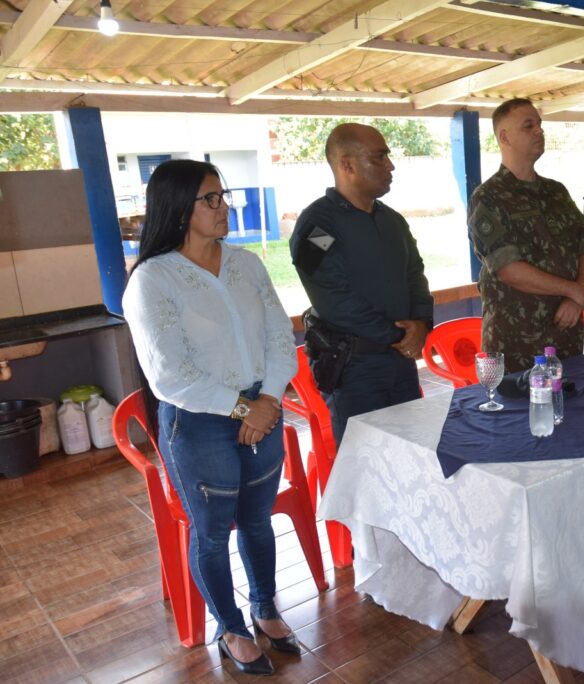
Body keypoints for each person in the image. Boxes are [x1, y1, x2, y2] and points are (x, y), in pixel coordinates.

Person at [122, 160, 299, 676]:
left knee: (257, 521)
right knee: (213, 532)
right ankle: (231, 628)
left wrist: (268, 400)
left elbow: (279, 337)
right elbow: (169, 375)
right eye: (211, 199)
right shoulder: (153, 280)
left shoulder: (246, 264)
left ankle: (265, 608)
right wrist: (247, 409)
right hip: (199, 423)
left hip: (262, 411)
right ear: (179, 208)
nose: (225, 208)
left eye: (224, 196)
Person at [290, 123, 433, 443]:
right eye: (379, 157)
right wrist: (399, 335)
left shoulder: (392, 220)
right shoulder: (319, 225)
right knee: (367, 460)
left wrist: (421, 323)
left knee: (413, 453)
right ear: (347, 165)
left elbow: (415, 273)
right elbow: (333, 297)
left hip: (400, 361)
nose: (390, 166)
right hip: (355, 368)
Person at [468, 98, 584, 372]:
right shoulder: (488, 197)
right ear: (505, 137)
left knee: (573, 398)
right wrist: (573, 290)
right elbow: (508, 270)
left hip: (566, 336)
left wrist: (577, 295)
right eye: (528, 126)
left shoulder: (556, 191)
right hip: (517, 345)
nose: (539, 131)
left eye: (539, 124)